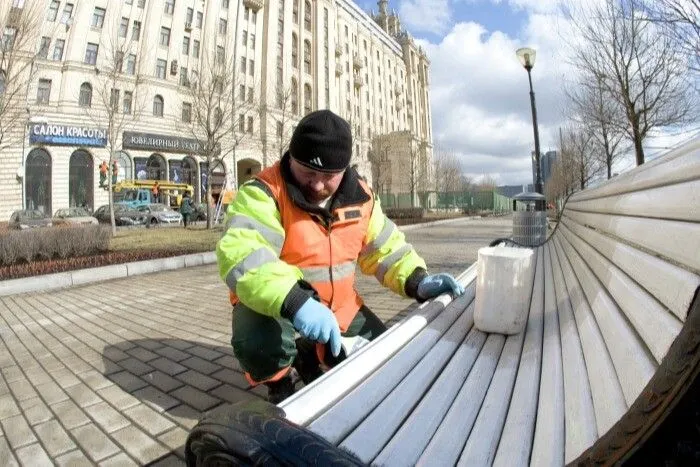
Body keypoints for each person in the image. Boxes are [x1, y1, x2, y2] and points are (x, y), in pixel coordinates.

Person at [216, 110, 464, 403]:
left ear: (344, 170)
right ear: (291, 159)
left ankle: (310, 352)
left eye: (329, 176)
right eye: (308, 172)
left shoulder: (362, 197)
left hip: (342, 309)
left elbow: (386, 249)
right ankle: (281, 384)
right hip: (279, 307)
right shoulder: (264, 193)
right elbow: (245, 253)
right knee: (256, 338)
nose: (318, 185)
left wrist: (417, 279)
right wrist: (296, 302)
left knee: (380, 362)